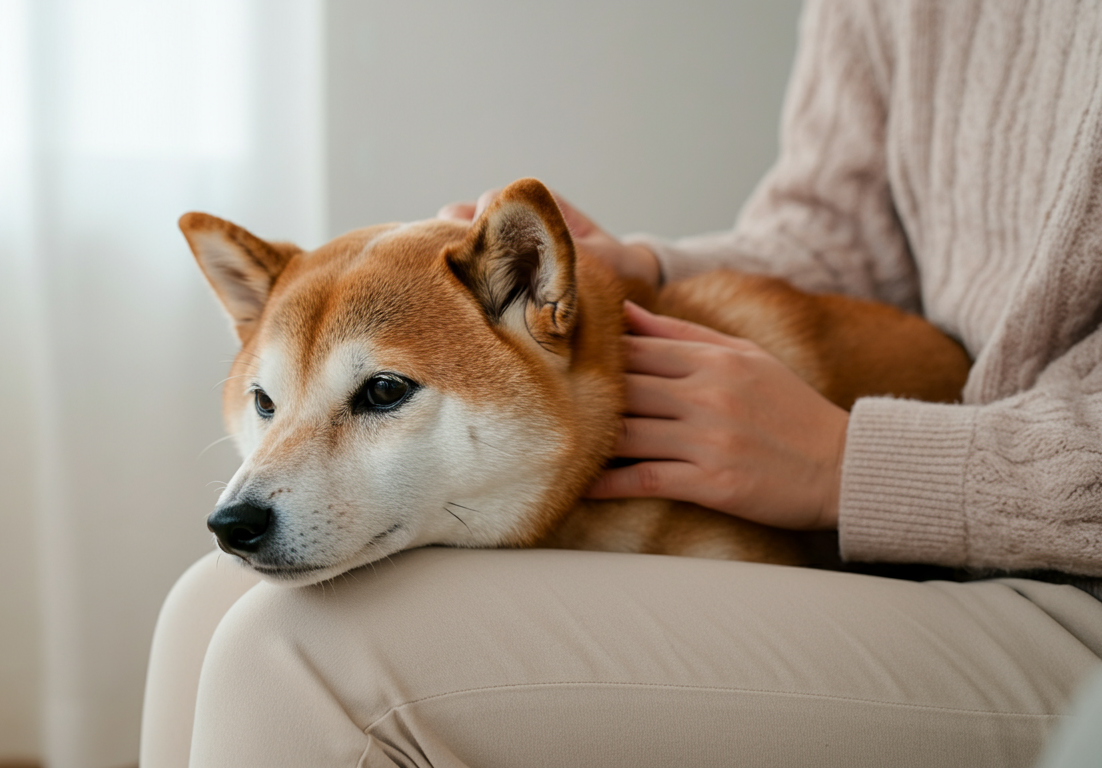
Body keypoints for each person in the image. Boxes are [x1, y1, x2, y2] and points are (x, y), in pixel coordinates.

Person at [140, 1, 1102, 765]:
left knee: (290, 658)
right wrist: (645, 266)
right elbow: (840, 232)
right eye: (266, 405)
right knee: (204, 608)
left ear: (523, 288)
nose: (254, 487)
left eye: (381, 394)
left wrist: (853, 464)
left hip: (1065, 587)